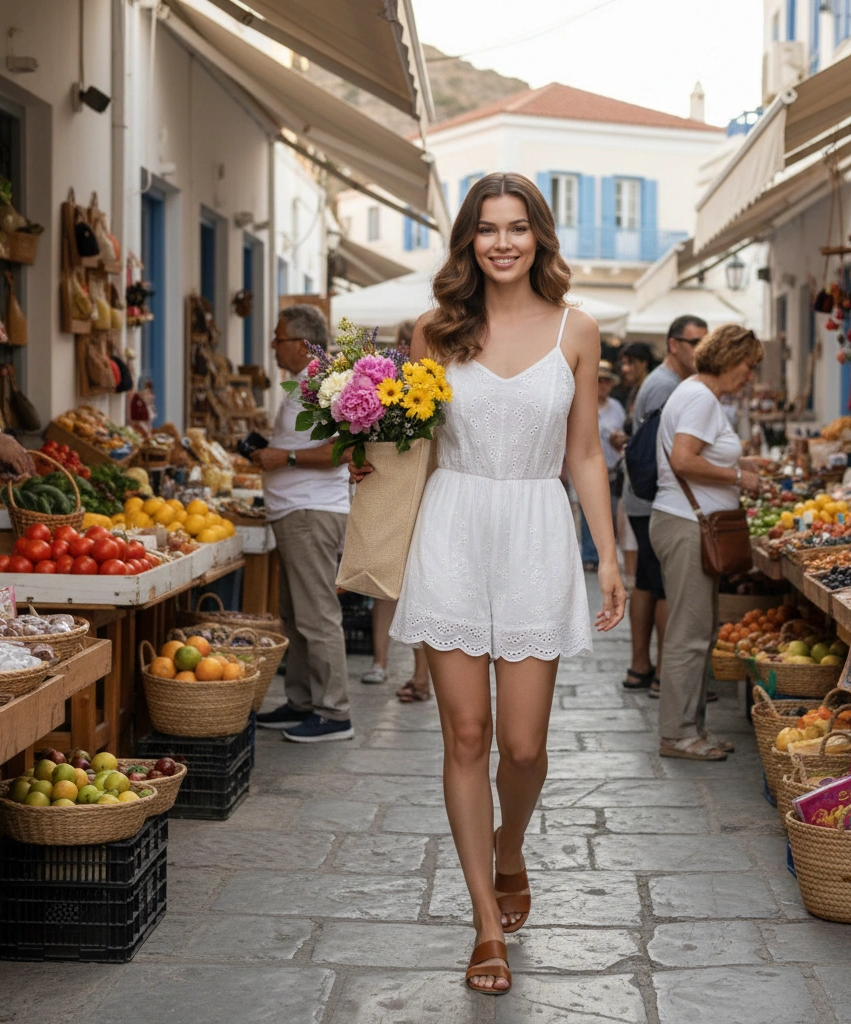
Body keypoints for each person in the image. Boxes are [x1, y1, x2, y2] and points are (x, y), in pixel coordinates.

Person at [355, 172, 626, 995]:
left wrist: (608, 557)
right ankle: (483, 925)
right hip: (454, 529)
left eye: (517, 227)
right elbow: (409, 451)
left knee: (525, 746)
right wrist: (362, 423)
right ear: (467, 240)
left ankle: (510, 849)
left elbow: (584, 452)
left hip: (539, 533)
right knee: (465, 737)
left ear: (540, 236)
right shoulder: (432, 331)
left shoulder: (579, 331)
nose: (502, 242)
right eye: (486, 228)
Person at [650, 324, 763, 761]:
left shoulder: (697, 394)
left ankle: (692, 727)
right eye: (749, 365)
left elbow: (699, 453)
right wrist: (738, 476)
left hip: (686, 523)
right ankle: (677, 734)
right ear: (730, 358)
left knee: (698, 631)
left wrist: (743, 463)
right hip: (685, 525)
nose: (749, 376)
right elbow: (683, 459)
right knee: (688, 635)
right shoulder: (699, 396)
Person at [252, 305, 356, 743]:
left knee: (316, 615)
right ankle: (301, 701)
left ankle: (334, 713)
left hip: (310, 513)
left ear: (299, 343)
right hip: (295, 512)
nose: (273, 347)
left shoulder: (325, 383)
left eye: (277, 339)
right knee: (296, 616)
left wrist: (286, 457)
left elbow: (346, 448)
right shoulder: (305, 384)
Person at [619, 315, 707, 696]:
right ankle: (662, 677)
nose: (700, 350)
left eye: (705, 342)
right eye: (694, 342)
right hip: (653, 496)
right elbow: (669, 452)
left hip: (643, 496)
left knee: (647, 583)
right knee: (663, 587)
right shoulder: (666, 386)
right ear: (674, 344)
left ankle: (641, 668)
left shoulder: (664, 382)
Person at [358, 318, 433, 702]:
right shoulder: (384, 381)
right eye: (403, 342)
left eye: (413, 341)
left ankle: (422, 675)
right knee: (382, 584)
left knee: (418, 586)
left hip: (429, 491)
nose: (407, 348)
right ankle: (380, 662)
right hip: (390, 489)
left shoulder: (433, 384)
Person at [579, 360, 625, 570]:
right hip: (587, 469)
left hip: (612, 468)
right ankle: (590, 555)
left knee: (611, 510)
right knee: (588, 510)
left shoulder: (616, 407)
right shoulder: (582, 403)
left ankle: (605, 554)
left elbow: (623, 434)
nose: (603, 385)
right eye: (599, 380)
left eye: (606, 381)